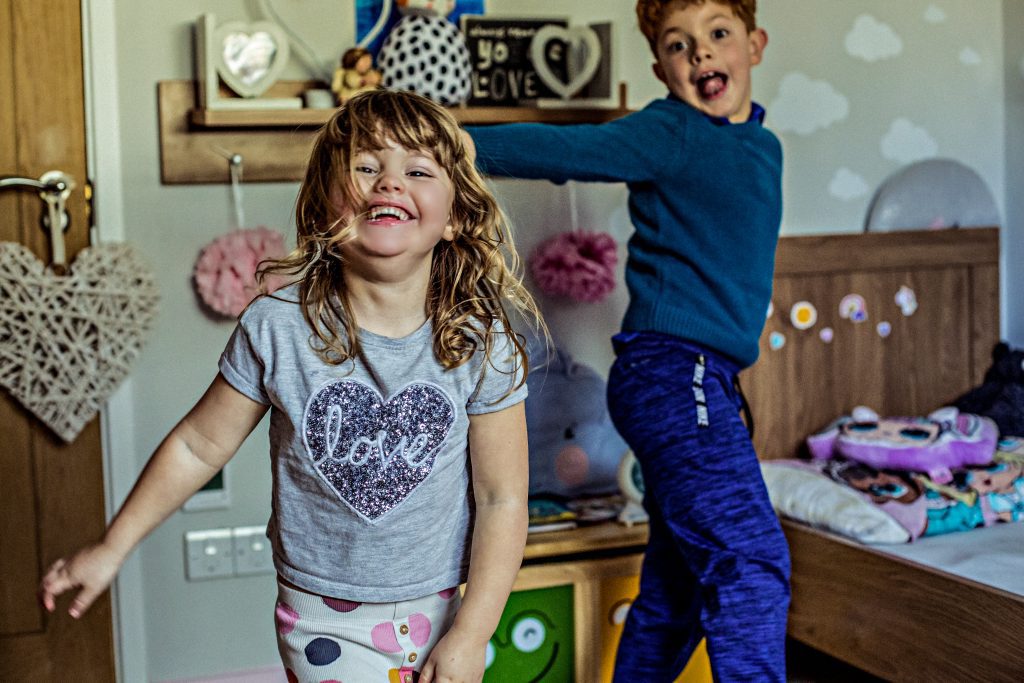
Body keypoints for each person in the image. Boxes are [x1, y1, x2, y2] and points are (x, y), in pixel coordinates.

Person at [40, 89, 544, 683]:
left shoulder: (481, 343)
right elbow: (197, 446)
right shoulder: (277, 327)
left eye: (416, 169)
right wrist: (111, 548)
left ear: (456, 213)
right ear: (323, 208)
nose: (388, 181)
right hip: (321, 616)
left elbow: (503, 500)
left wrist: (472, 631)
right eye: (364, 166)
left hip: (447, 608)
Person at [463, 1, 791, 680]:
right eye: (679, 45)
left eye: (718, 35)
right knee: (752, 564)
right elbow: (569, 151)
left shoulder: (761, 145)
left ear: (755, 45)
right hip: (675, 371)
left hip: (704, 378)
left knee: (675, 593)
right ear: (661, 69)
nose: (701, 54)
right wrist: (455, 144)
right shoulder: (672, 131)